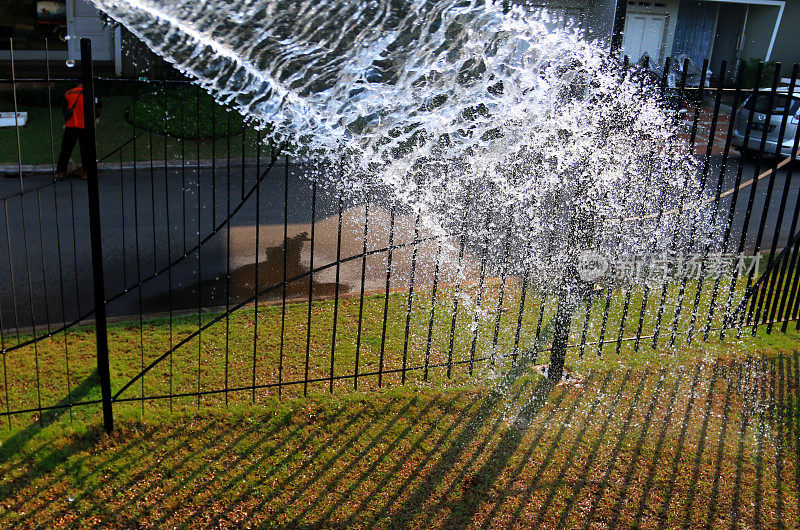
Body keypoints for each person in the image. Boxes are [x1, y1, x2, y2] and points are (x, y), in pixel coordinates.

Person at [56, 84, 101, 179]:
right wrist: (95, 119)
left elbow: (64, 109)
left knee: (66, 150)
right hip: (85, 125)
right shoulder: (90, 93)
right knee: (86, 150)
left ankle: (61, 172)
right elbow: (98, 107)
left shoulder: (68, 93)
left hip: (70, 125)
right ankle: (86, 172)